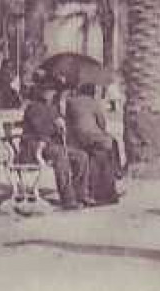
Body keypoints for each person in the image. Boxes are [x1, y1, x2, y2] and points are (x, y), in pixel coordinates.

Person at [20, 81, 86, 210]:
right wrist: (56, 126)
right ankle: (68, 199)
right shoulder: (33, 107)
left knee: (81, 156)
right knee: (61, 155)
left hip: (50, 146)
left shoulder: (53, 108)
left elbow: (60, 128)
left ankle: (80, 194)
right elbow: (40, 130)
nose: (49, 93)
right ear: (39, 92)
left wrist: (63, 125)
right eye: (46, 91)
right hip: (35, 146)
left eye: (52, 91)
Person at [65, 84, 122, 206]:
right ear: (92, 92)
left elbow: (69, 122)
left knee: (98, 152)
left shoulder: (71, 102)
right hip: (92, 137)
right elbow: (101, 123)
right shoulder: (93, 103)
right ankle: (116, 175)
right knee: (112, 144)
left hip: (76, 139)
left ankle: (94, 189)